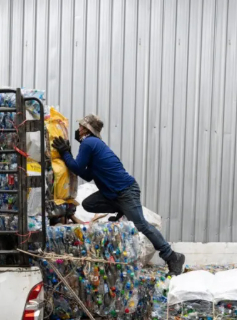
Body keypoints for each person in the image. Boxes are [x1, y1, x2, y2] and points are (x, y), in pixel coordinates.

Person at [52, 114, 186, 275]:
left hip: (125, 191)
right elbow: (87, 175)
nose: (78, 128)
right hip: (115, 193)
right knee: (89, 204)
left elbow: (78, 167)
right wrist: (68, 153)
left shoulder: (88, 142)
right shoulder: (93, 143)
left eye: (80, 126)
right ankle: (121, 208)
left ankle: (172, 256)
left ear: (85, 129)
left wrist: (65, 153)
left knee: (141, 224)